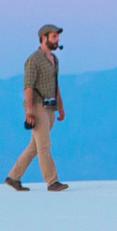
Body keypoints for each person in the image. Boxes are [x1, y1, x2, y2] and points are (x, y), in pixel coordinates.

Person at [5, 24, 69, 192]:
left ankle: (13, 177)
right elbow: (28, 87)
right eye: (54, 37)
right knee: (44, 147)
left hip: (50, 108)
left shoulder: (54, 60)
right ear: (44, 38)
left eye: (57, 37)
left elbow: (56, 85)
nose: (57, 40)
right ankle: (52, 181)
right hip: (38, 107)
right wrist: (30, 111)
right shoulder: (34, 60)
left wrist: (61, 107)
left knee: (35, 146)